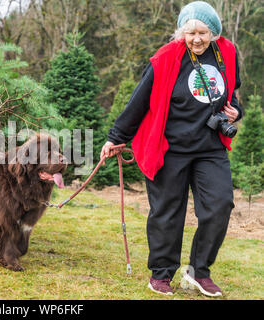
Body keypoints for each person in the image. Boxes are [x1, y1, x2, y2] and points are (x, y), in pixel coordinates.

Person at [101, 1, 242, 297]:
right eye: (190, 33)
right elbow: (138, 102)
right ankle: (161, 275)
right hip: (170, 147)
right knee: (167, 213)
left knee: (220, 205)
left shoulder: (226, 53)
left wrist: (235, 112)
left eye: (203, 32)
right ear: (181, 33)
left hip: (210, 148)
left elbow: (233, 93)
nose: (196, 39)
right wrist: (116, 137)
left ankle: (198, 272)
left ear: (214, 32)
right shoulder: (166, 58)